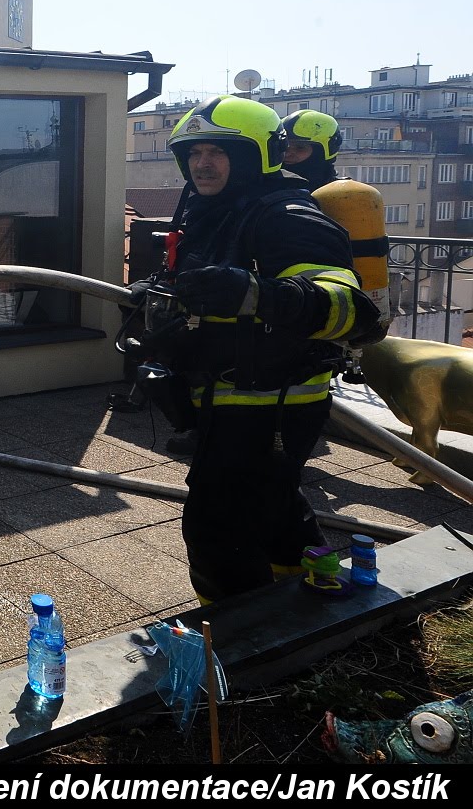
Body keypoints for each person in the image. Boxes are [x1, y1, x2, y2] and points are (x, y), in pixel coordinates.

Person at [160, 96, 378, 604]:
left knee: (216, 526)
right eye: (194, 153)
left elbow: (351, 310)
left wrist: (254, 294)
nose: (202, 164)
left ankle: (239, 632)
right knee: (274, 503)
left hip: (270, 400)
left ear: (257, 156)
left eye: (218, 151)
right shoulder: (214, 211)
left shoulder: (286, 215)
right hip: (230, 393)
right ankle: (310, 591)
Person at [280, 110, 343, 189]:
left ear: (320, 153)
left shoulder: (344, 192)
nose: (287, 154)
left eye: (300, 148)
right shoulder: (267, 187)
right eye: (284, 146)